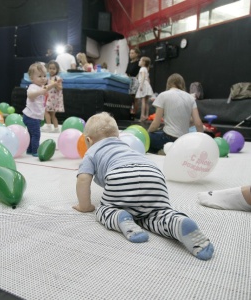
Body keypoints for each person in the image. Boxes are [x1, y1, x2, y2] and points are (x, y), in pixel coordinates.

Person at [73, 112, 214, 261]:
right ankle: (176, 222)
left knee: (103, 210)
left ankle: (119, 216)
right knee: (155, 214)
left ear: (88, 140)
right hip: (154, 175)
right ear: (117, 137)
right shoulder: (126, 147)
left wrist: (85, 206)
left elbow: (83, 179)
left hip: (121, 175)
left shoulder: (92, 151)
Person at [148, 73, 204, 154]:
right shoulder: (190, 98)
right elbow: (198, 123)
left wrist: (147, 134)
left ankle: (165, 150)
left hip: (168, 138)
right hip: (183, 141)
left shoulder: (163, 95)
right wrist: (201, 141)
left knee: (147, 138)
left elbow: (155, 124)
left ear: (169, 83)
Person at [22, 62, 54, 157]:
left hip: (33, 116)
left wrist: (56, 83)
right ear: (32, 78)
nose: (43, 78)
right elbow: (30, 95)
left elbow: (47, 87)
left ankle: (29, 149)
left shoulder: (40, 86)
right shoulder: (33, 87)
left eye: (44, 75)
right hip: (31, 117)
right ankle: (35, 150)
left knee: (31, 134)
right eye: (39, 76)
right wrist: (40, 92)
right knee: (36, 134)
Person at [41, 60, 64, 133]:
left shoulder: (57, 78)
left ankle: (48, 126)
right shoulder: (48, 78)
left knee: (46, 111)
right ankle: (56, 128)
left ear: (57, 69)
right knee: (52, 114)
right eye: (50, 68)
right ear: (48, 69)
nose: (52, 70)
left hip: (54, 98)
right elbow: (46, 87)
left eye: (54, 69)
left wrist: (56, 84)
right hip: (49, 97)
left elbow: (60, 88)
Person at [135, 56, 153, 122]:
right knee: (146, 102)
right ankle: (146, 115)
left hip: (143, 84)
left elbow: (142, 77)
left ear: (143, 62)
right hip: (147, 85)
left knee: (143, 100)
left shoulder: (142, 69)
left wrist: (141, 85)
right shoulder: (146, 69)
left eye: (140, 60)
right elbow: (148, 79)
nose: (139, 61)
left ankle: (142, 116)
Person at [126, 48, 141, 115]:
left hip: (135, 80)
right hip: (129, 80)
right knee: (129, 97)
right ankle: (129, 110)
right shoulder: (129, 63)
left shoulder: (138, 63)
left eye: (132, 53)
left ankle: (135, 112)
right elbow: (127, 72)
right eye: (130, 53)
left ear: (137, 54)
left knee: (135, 97)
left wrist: (136, 79)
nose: (130, 55)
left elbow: (140, 72)